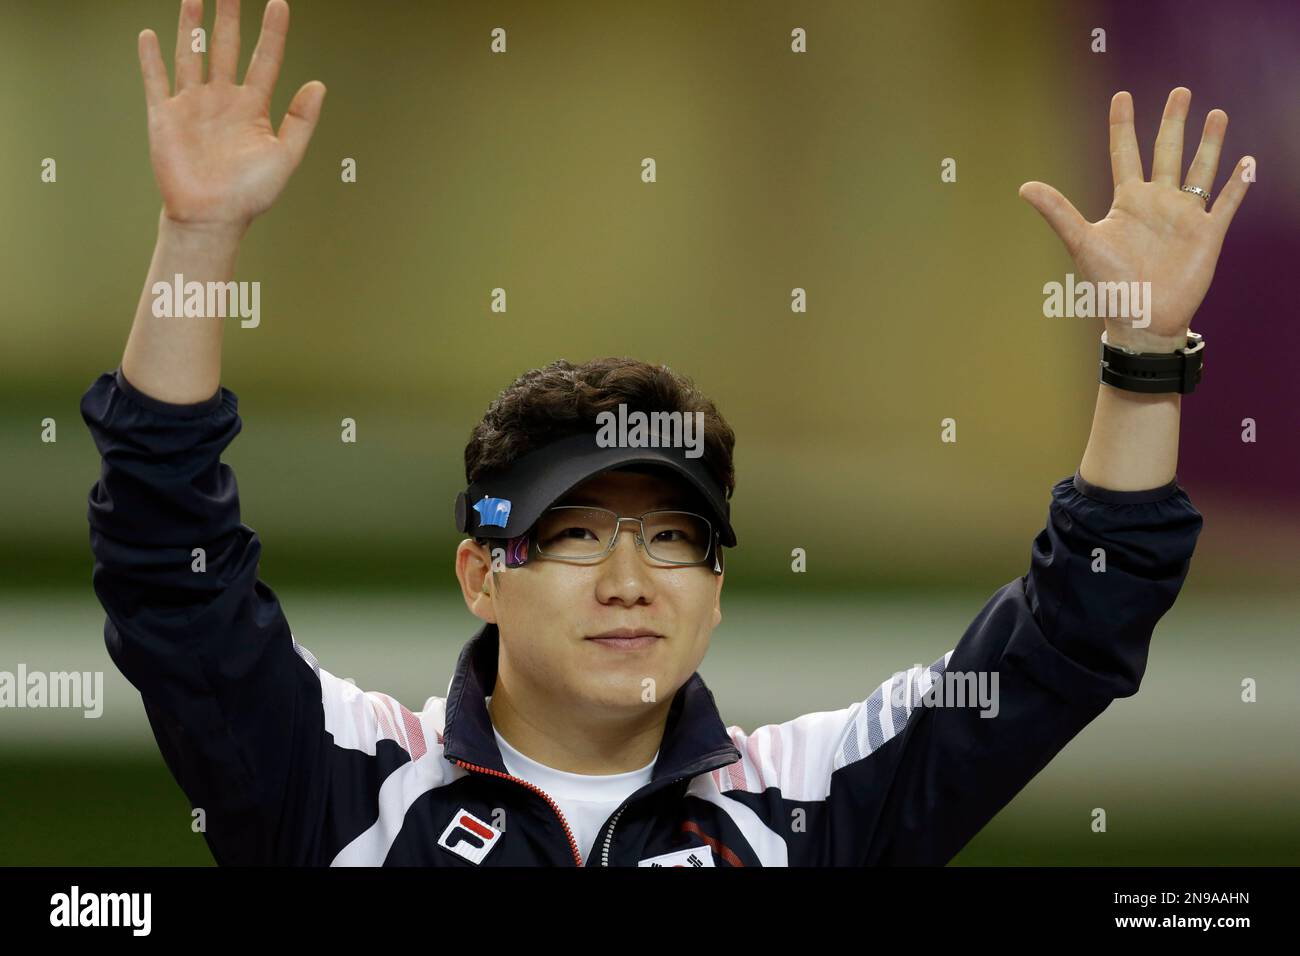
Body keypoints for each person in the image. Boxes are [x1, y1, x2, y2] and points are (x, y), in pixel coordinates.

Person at [81, 0, 1251, 865]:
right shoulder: (343, 781)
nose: (634, 580)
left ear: (718, 589)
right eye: (580, 534)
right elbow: (167, 571)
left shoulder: (813, 800)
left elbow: (1073, 631)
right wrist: (198, 237)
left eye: (677, 538)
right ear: (482, 574)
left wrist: (1143, 358)